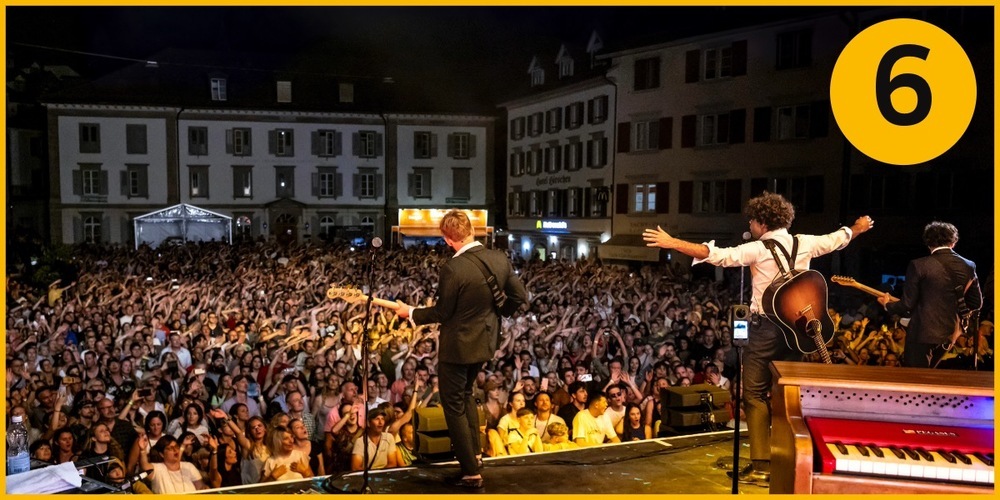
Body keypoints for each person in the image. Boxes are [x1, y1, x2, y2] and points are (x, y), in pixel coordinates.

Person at [643, 191, 874, 484]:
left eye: (752, 221)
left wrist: (673, 243)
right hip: (798, 330)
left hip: (765, 328)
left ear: (762, 223)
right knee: (786, 393)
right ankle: (790, 458)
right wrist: (858, 227)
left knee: (753, 394)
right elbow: (839, 238)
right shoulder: (806, 242)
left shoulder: (757, 248)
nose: (750, 226)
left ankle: (761, 463)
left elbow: (718, 256)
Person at [395, 210, 528, 490]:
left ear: (448, 238)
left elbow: (443, 312)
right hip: (485, 343)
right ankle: (475, 455)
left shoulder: (453, 268)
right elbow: (519, 296)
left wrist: (411, 312)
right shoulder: (498, 258)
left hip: (457, 348)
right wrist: (500, 312)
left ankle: (470, 472)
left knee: (453, 404)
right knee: (467, 394)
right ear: (471, 230)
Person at [878, 221, 981, 368]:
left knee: (915, 380)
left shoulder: (918, 265)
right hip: (950, 333)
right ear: (954, 242)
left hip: (922, 333)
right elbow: (976, 303)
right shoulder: (969, 265)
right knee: (931, 377)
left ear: (928, 242)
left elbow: (907, 304)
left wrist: (887, 305)